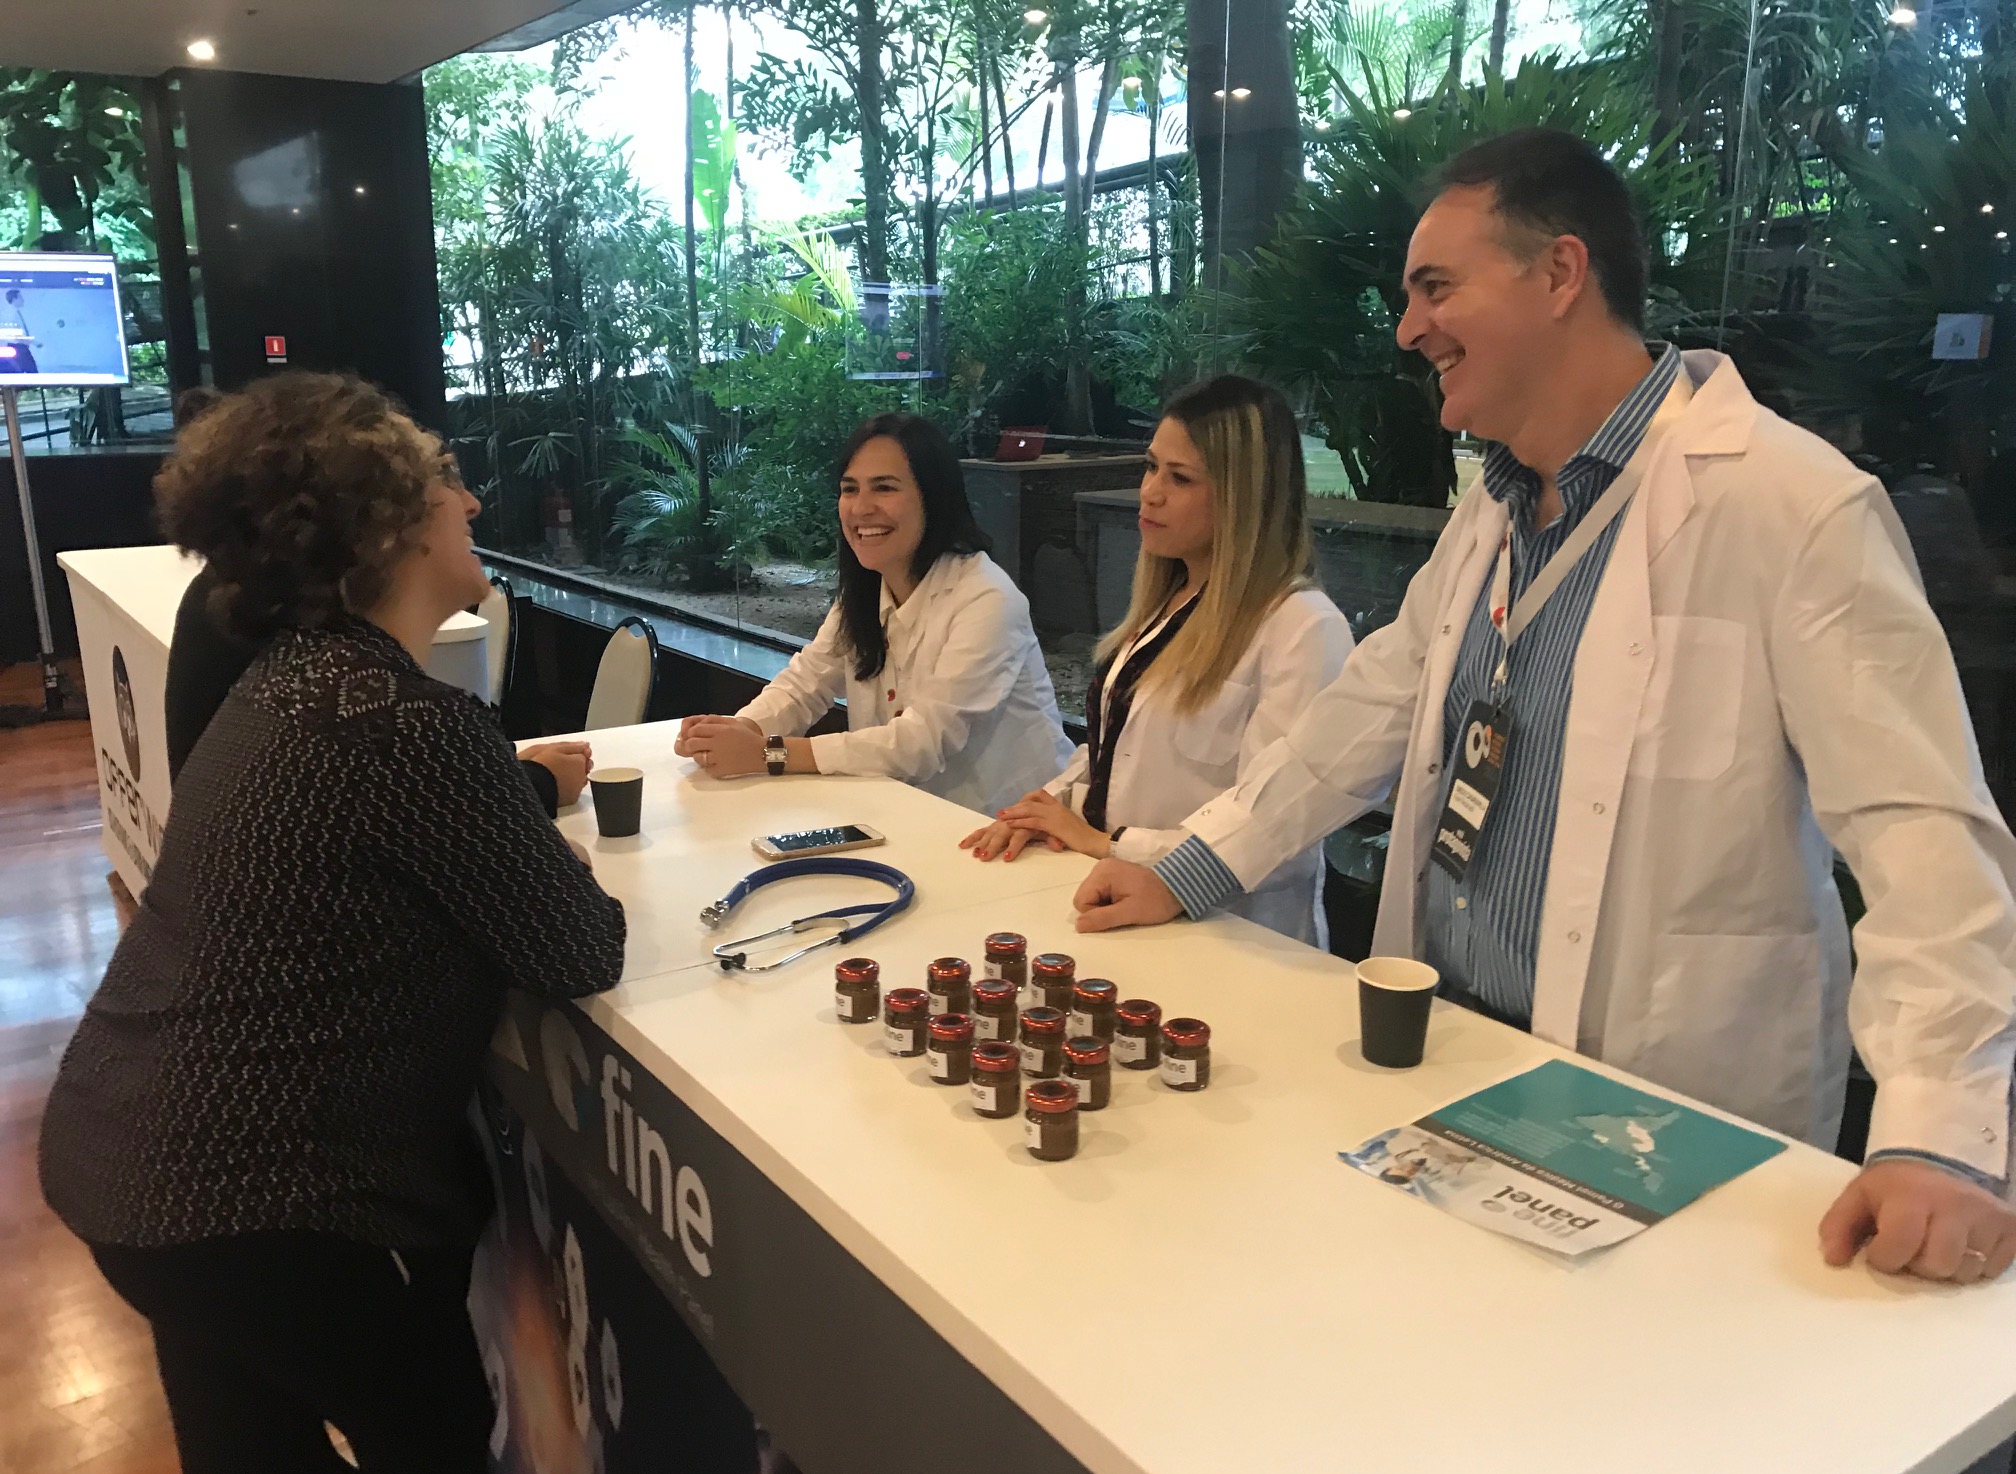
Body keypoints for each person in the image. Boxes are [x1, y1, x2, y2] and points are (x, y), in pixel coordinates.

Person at [1069, 130, 2016, 1296]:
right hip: (1453, 1080)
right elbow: (1366, 713)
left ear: (1562, 273)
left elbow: (1926, 832)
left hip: (1666, 1118)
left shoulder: (1791, 504)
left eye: (1435, 287)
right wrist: (1194, 865)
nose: (1410, 327)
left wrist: (1937, 1127)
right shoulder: (1495, 512)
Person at [39, 372, 627, 1474]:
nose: (469, 502)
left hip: (125, 1159)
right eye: (445, 481)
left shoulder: (288, 685)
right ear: (389, 526)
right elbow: (577, 948)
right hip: (258, 1201)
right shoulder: (403, 722)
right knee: (435, 1446)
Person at [958, 375, 1353, 946]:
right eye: (1150, 467)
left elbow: (1282, 838)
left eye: (1180, 477)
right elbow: (1114, 750)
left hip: (1236, 941)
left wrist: (1107, 841)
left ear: (1245, 497)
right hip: (1125, 907)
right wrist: (1047, 808)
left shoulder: (1304, 628)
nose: (1150, 492)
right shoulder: (1172, 601)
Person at [160, 385, 593, 812]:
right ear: (381, 520)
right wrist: (520, 792)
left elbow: (394, 806)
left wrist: (496, 781)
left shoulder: (286, 672)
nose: (472, 503)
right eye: (441, 475)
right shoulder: (381, 711)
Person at [675, 412, 1072, 813]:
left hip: (1014, 830)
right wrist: (737, 732)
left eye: (884, 488)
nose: (861, 508)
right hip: (912, 818)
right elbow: (806, 683)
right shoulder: (866, 590)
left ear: (933, 497)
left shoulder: (987, 598)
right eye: (850, 489)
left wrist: (767, 753)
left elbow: (924, 743)